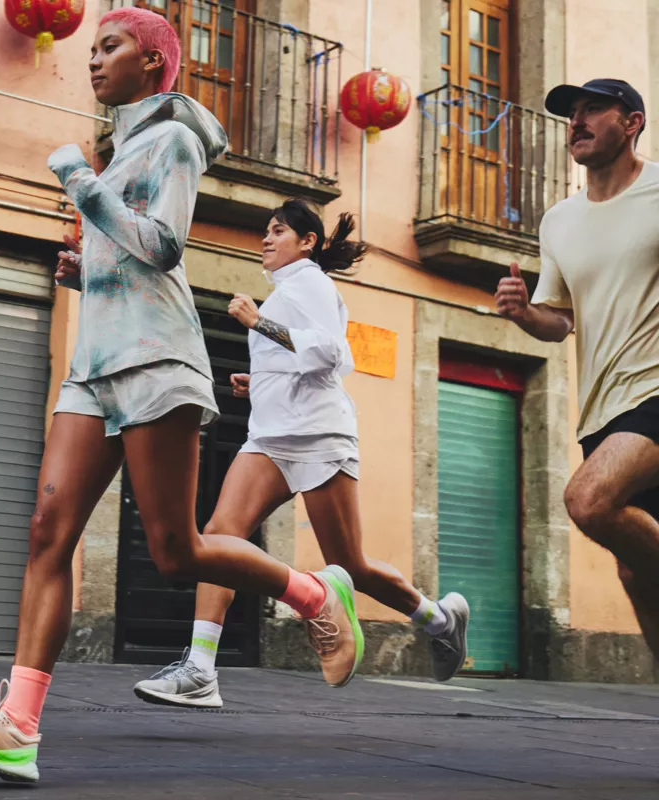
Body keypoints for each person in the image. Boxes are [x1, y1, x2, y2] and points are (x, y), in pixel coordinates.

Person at [0, 9, 362, 784]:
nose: (94, 61)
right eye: (91, 50)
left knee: (175, 549)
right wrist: (83, 268)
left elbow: (163, 244)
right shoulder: (122, 145)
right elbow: (126, 255)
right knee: (46, 532)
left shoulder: (173, 140)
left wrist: (82, 186)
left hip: (158, 361)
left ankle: (312, 592)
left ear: (154, 63)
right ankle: (16, 725)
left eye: (110, 47)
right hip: (95, 362)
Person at [132, 200, 470, 710]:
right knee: (220, 536)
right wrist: (261, 381)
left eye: (278, 231)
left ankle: (439, 620)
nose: (266, 239)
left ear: (307, 241)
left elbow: (335, 354)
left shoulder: (310, 283)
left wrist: (258, 323)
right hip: (270, 436)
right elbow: (302, 364)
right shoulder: (287, 291)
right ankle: (200, 667)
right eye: (265, 231)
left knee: (349, 564)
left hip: (317, 436)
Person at [495, 78, 659, 661]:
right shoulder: (559, 221)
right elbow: (559, 320)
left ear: (632, 122)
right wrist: (523, 313)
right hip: (602, 407)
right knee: (639, 576)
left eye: (594, 110)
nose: (578, 122)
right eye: (573, 115)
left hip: (654, 390)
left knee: (588, 501)